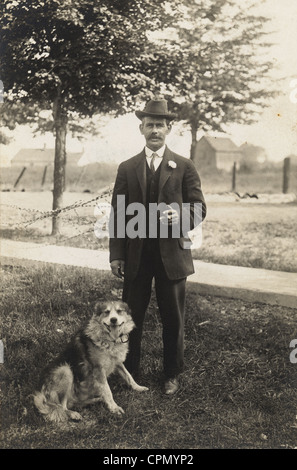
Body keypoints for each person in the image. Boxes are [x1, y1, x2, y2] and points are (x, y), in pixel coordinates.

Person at [109, 99, 206, 395]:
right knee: (130, 316)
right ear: (141, 129)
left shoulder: (184, 165)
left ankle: (171, 373)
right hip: (137, 255)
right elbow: (119, 212)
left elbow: (199, 206)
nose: (155, 130)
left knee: (173, 317)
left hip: (172, 255)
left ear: (169, 129)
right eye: (149, 125)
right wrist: (117, 255)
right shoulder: (128, 167)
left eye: (159, 125)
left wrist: (182, 216)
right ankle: (129, 372)